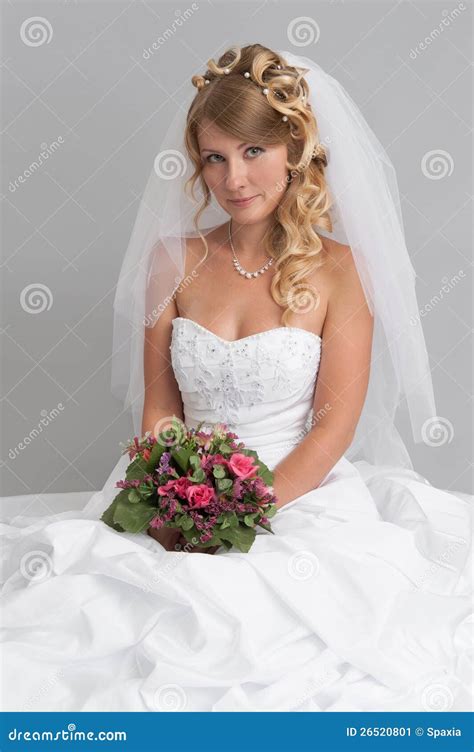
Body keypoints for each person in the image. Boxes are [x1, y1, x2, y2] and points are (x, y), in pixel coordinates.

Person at [1, 44, 471, 713]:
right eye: (215, 158)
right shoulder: (173, 262)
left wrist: (236, 518)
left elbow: (334, 426)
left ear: (294, 150)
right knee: (85, 630)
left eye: (253, 152)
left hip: (299, 495)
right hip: (175, 487)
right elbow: (161, 411)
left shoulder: (341, 271)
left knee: (274, 642)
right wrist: (174, 503)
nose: (234, 178)